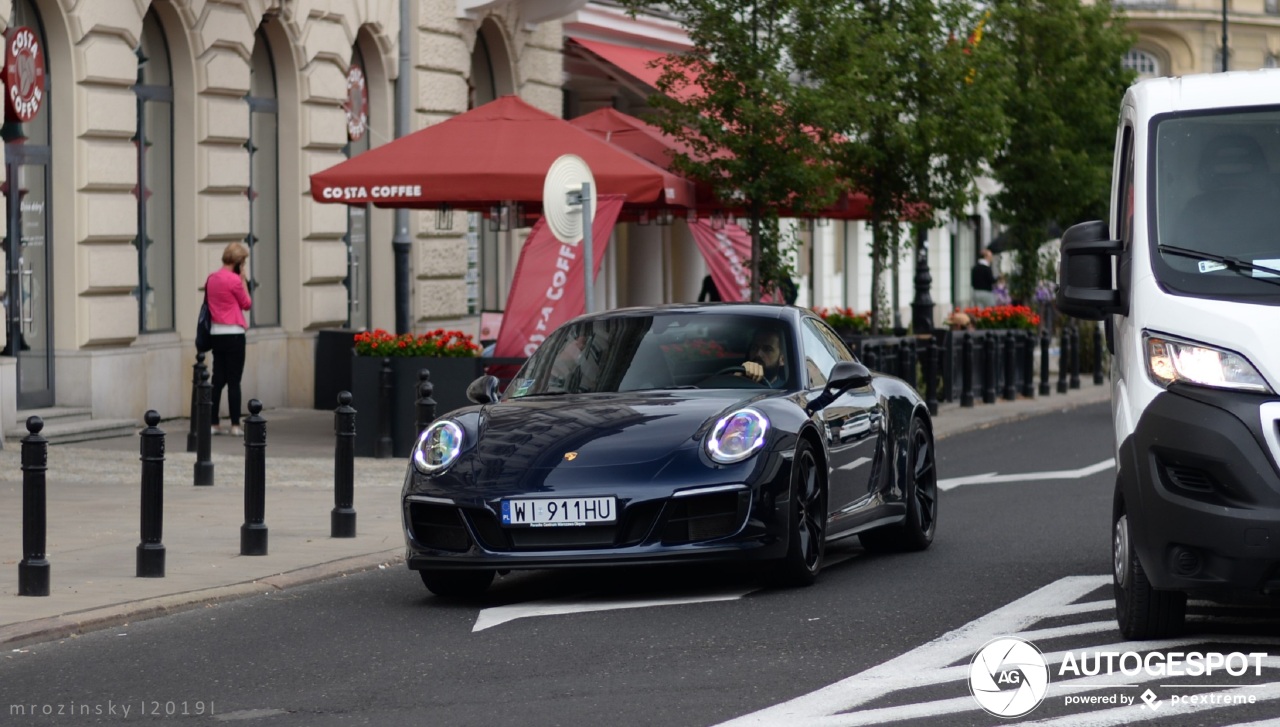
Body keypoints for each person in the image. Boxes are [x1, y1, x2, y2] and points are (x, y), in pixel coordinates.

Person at [206, 242, 252, 436]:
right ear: (239, 263)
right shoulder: (234, 281)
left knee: (218, 379)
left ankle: (213, 423)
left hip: (216, 333)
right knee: (234, 381)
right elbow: (247, 304)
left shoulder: (212, 279)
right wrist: (243, 281)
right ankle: (235, 425)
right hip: (234, 333)